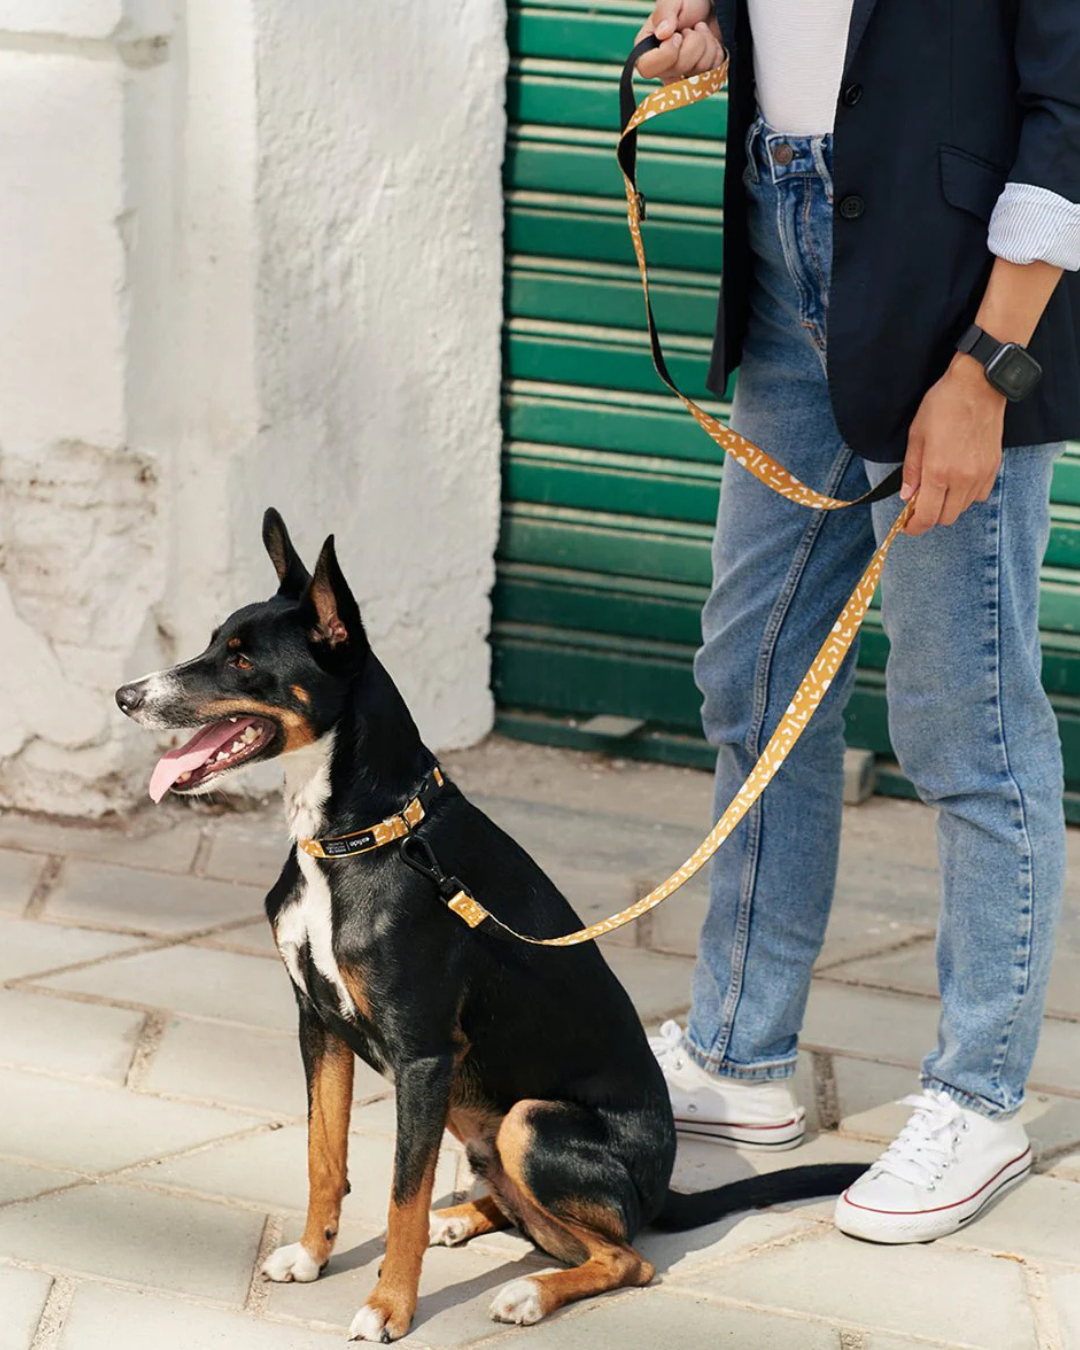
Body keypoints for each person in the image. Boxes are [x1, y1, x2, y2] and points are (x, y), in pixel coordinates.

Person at [636, 0, 1080, 1242]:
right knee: (753, 678)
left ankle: (980, 1097)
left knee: (967, 716)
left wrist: (989, 371)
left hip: (954, 305)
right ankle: (738, 1053)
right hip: (784, 258)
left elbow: (1071, 112)